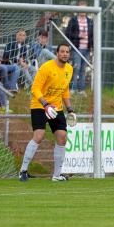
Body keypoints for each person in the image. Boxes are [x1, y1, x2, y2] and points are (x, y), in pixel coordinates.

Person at [18, 44, 75, 182]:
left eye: (67, 52)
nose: (65, 54)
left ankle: (56, 175)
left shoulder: (69, 69)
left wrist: (70, 109)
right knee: (39, 135)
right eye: (62, 51)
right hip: (40, 105)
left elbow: (65, 90)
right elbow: (35, 88)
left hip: (57, 108)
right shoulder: (46, 68)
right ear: (57, 53)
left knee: (62, 137)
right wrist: (45, 104)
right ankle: (23, 171)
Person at [66, 0, 94, 96]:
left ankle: (81, 90)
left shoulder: (90, 21)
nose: (82, 10)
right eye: (81, 8)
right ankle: (72, 88)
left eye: (84, 8)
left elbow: (93, 35)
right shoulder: (73, 20)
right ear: (77, 9)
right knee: (76, 68)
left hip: (87, 49)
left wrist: (92, 46)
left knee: (83, 69)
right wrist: (78, 35)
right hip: (76, 48)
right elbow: (67, 34)